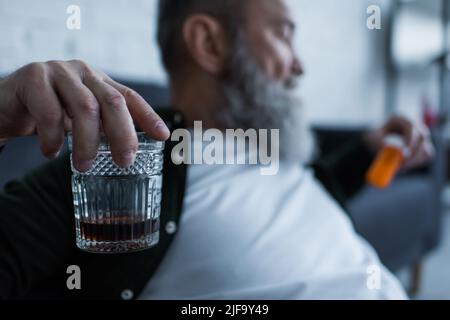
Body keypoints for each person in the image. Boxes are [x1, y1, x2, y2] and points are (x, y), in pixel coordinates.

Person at [0, 0, 433, 300]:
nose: (298, 65)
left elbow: (301, 201)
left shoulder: (270, 142)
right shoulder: (125, 157)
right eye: (283, 34)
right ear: (210, 43)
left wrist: (366, 149)